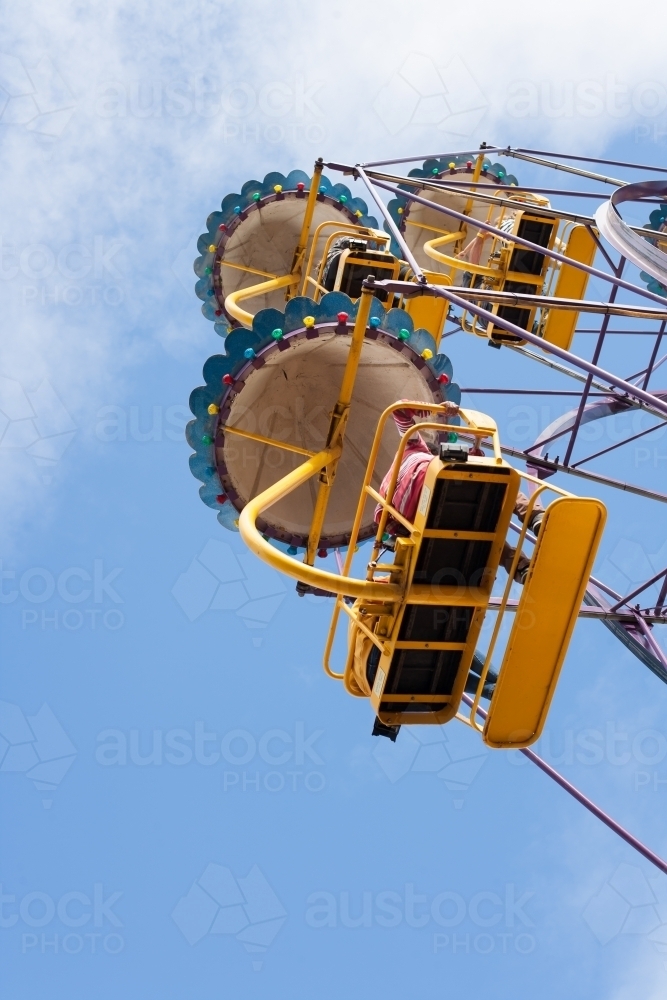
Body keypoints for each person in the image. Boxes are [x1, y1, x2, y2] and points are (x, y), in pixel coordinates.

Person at [374, 403, 544, 583]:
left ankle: (523, 568)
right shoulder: (420, 452)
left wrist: (436, 410)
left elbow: (399, 410)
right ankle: (533, 525)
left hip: (424, 518)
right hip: (435, 489)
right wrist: (440, 409)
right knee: (504, 486)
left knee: (486, 535)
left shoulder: (389, 486)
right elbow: (473, 468)